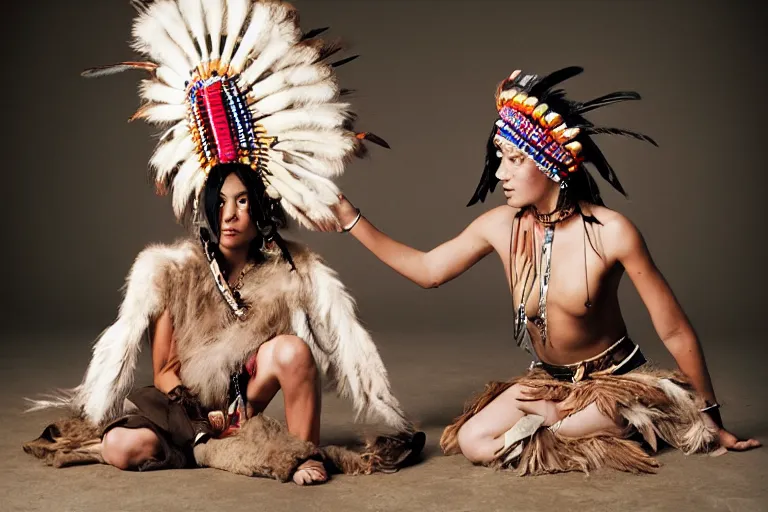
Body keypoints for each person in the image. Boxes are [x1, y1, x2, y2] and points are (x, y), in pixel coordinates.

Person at [23, 0, 423, 485]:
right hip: (179, 410)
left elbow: (307, 354)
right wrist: (194, 417)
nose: (231, 215)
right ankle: (204, 448)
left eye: (243, 203)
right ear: (209, 209)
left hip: (238, 404)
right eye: (222, 203)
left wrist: (230, 413)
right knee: (126, 446)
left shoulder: (289, 270)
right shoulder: (173, 270)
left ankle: (301, 453)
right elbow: (166, 369)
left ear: (262, 210)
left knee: (294, 351)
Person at [330, 67, 760, 475]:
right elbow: (428, 270)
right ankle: (560, 427)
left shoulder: (613, 233)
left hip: (614, 382)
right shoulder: (501, 226)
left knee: (613, 412)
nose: (500, 173)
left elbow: (675, 332)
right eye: (500, 157)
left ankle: (581, 425)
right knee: (474, 441)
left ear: (552, 162)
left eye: (514, 159)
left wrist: (710, 417)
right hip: (549, 381)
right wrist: (352, 219)